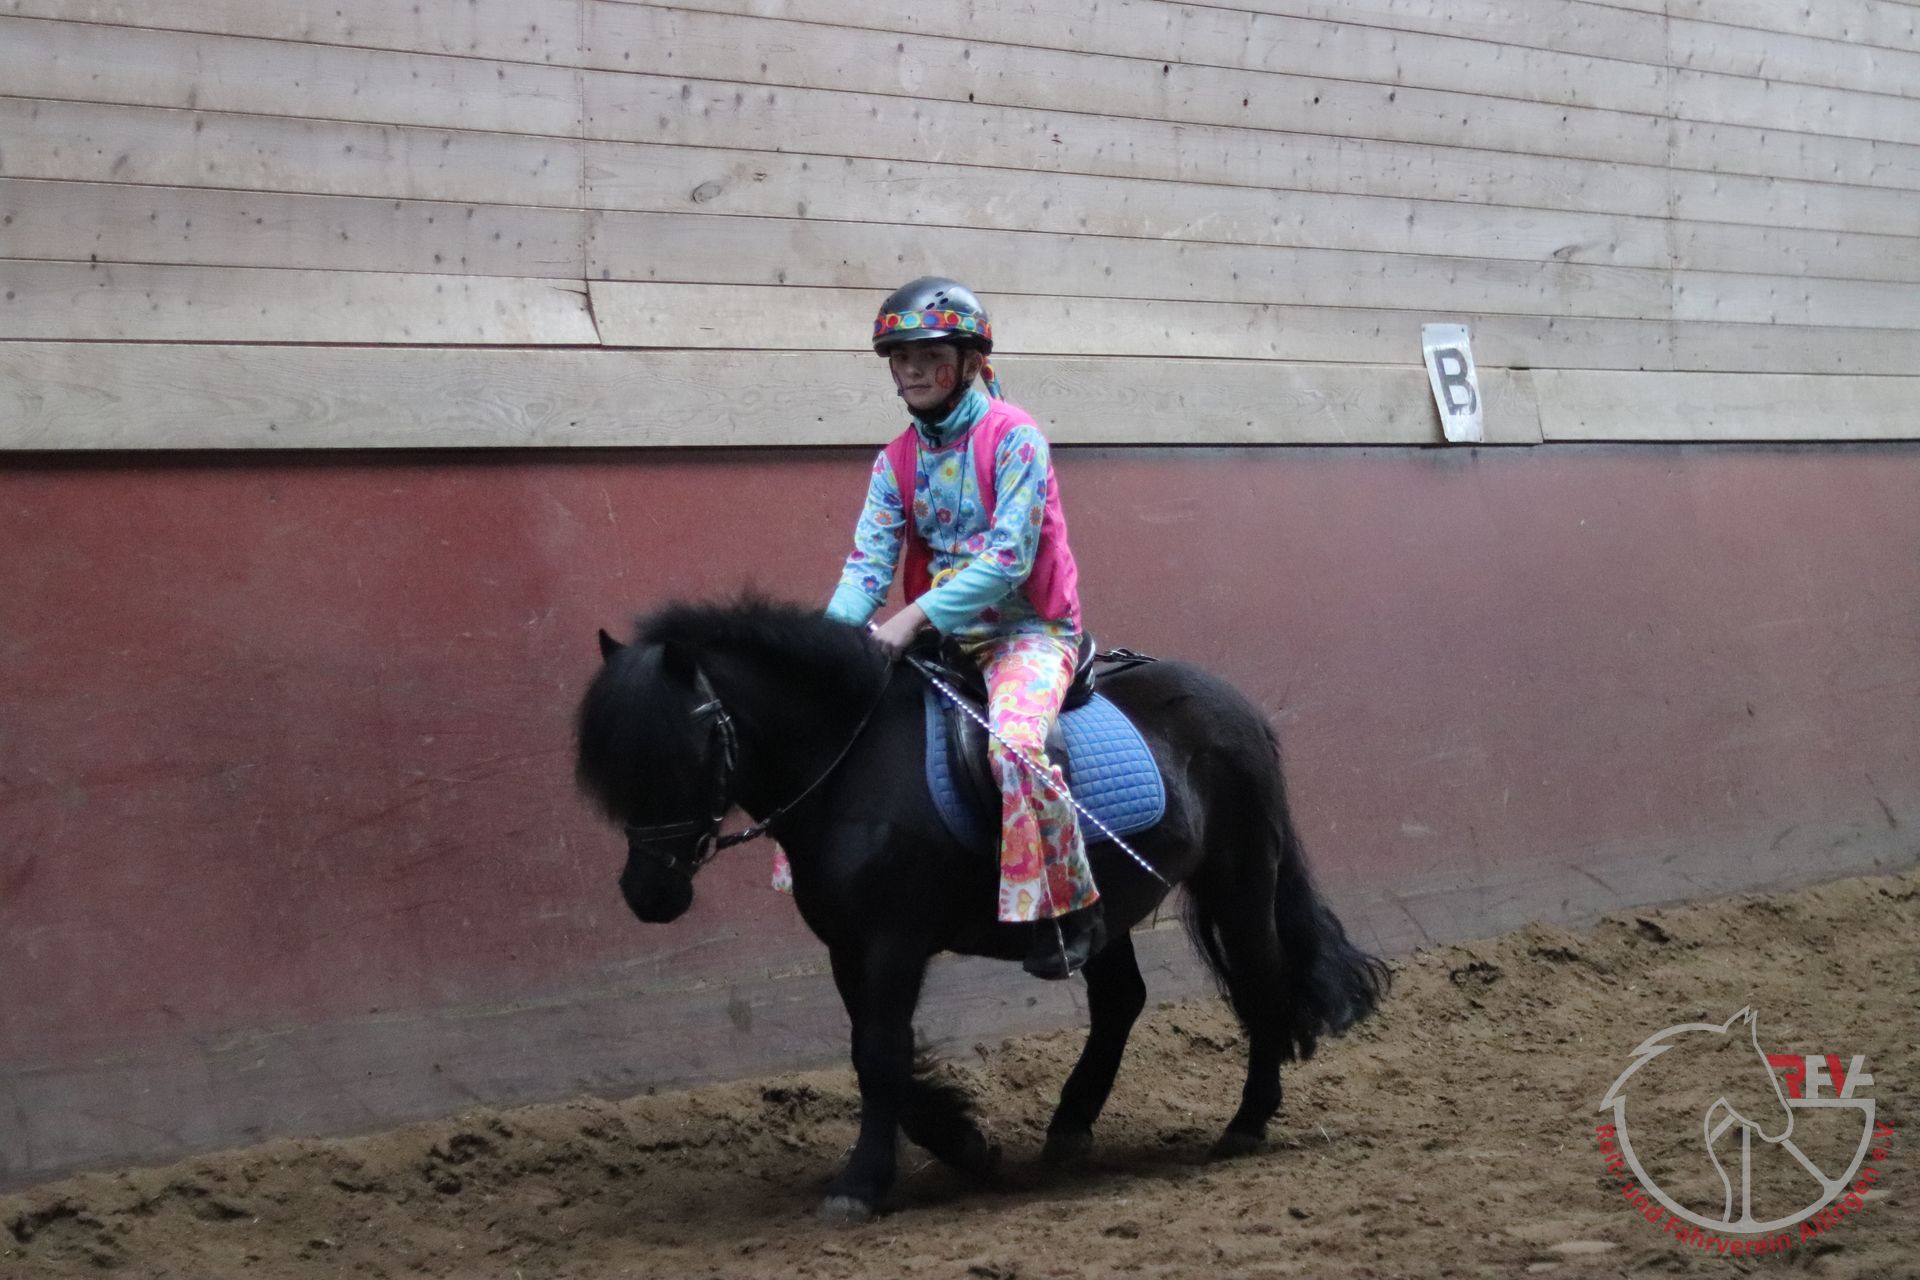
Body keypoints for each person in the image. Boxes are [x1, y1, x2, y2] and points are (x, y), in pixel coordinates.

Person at [824, 277, 1105, 979]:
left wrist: (909, 620)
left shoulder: (1016, 438)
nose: (912, 370)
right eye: (901, 357)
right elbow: (866, 568)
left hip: (1027, 633)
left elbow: (1009, 558)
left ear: (972, 362)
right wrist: (822, 645)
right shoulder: (893, 462)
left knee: (1015, 749)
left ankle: (1068, 909)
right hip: (940, 638)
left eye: (929, 356)